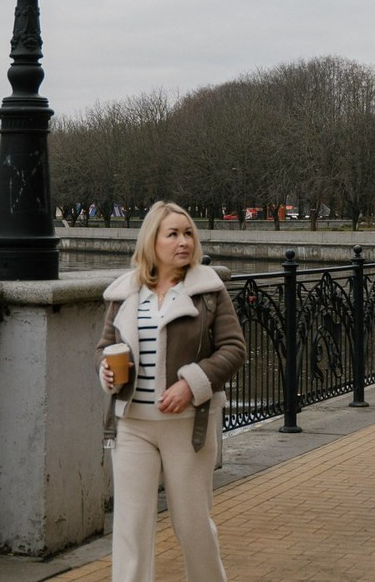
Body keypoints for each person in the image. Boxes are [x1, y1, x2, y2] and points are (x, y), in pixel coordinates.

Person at [96, 201, 246, 582]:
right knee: (130, 531)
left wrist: (192, 384)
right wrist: (107, 373)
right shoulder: (125, 292)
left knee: (192, 525)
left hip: (188, 426)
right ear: (152, 241)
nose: (184, 242)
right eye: (173, 234)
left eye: (188, 233)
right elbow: (105, 348)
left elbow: (234, 349)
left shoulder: (208, 291)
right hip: (133, 425)